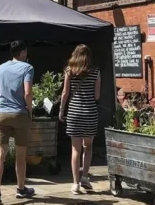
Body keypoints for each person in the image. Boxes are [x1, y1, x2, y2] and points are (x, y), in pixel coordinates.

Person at [0, 40, 36, 204]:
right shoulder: (27, 68)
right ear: (23, 52)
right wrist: (30, 111)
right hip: (19, 114)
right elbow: (28, 92)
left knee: (0, 154)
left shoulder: (0, 68)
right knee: (20, 155)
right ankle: (21, 188)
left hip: (2, 112)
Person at [60, 44, 100, 195]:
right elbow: (97, 96)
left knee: (75, 149)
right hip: (90, 112)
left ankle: (75, 184)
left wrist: (61, 109)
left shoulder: (69, 71)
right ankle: (85, 177)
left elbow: (65, 92)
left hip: (74, 112)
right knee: (88, 147)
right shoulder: (96, 71)